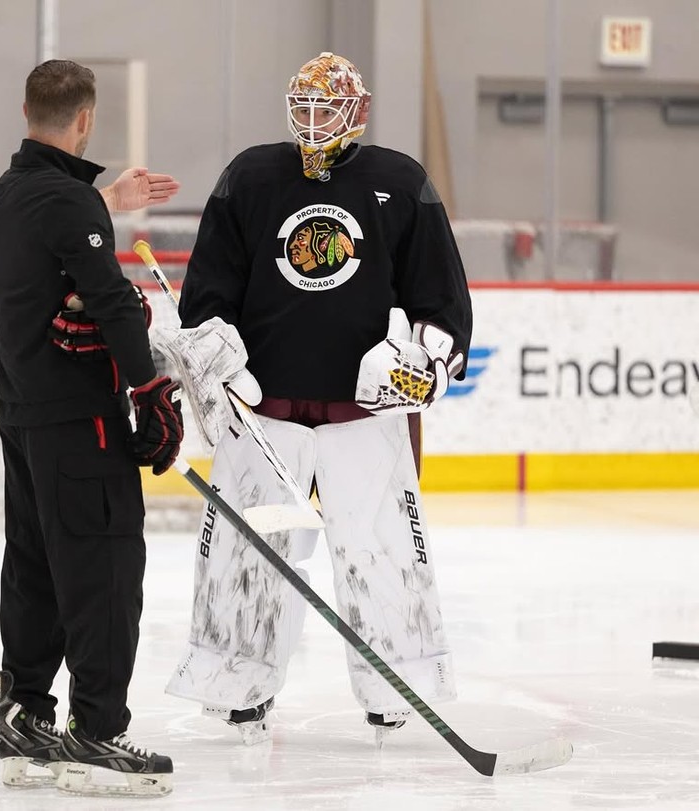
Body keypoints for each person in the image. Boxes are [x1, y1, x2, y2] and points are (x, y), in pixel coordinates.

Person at [160, 52, 473, 746]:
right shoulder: (250, 176)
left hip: (365, 420)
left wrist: (432, 357)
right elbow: (209, 289)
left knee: (381, 550)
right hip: (265, 419)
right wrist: (218, 357)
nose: (311, 120)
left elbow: (439, 293)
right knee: (252, 552)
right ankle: (240, 682)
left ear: (357, 110)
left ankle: (400, 682)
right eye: (301, 106)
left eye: (325, 107)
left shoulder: (399, 180)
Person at [0, 59, 183, 797]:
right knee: (102, 570)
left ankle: (26, 716)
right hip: (79, 423)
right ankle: (97, 731)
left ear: (26, 109)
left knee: (34, 567)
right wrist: (152, 392)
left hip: (22, 419)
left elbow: (59, 241)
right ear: (87, 119)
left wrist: (102, 199)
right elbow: (109, 300)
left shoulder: (1, 198)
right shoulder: (69, 205)